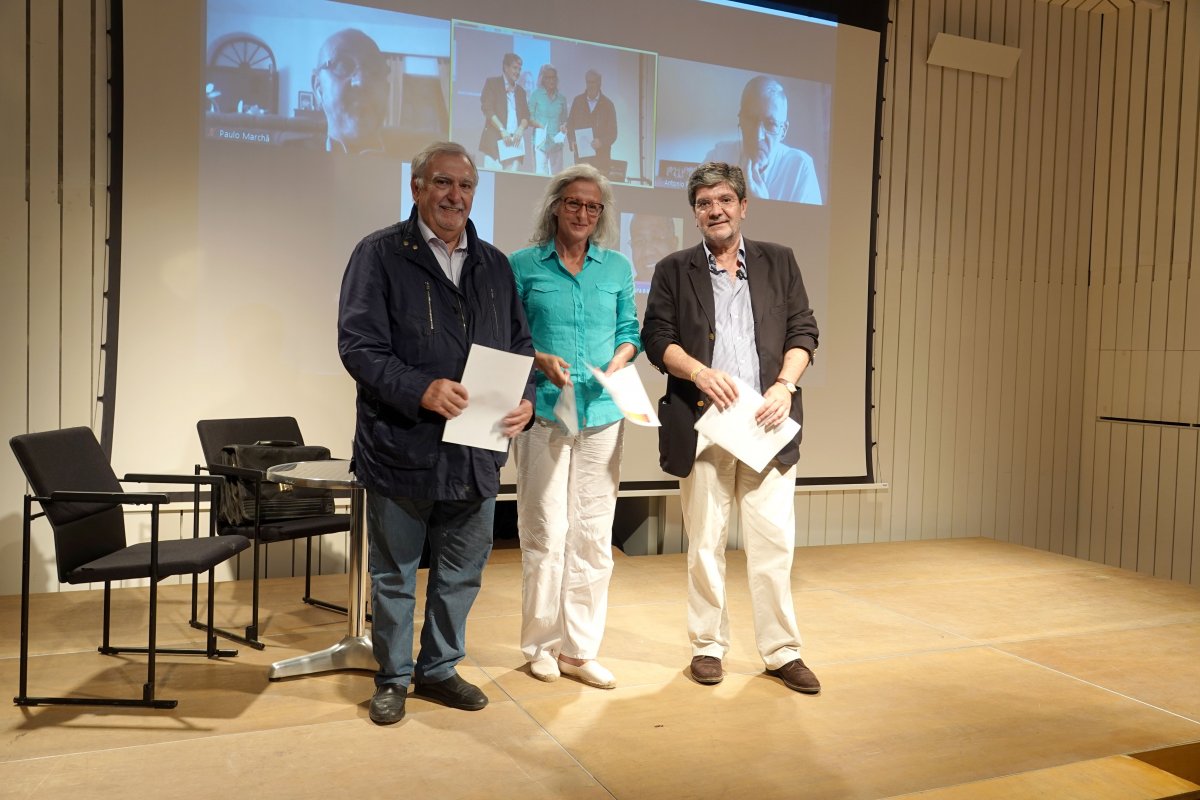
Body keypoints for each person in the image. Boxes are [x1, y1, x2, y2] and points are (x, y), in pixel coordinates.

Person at [337, 141, 536, 725]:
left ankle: (441, 668)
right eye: (443, 184)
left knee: (461, 570)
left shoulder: (494, 263)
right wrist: (419, 388)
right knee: (394, 572)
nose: (455, 197)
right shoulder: (378, 255)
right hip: (401, 445)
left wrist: (524, 399)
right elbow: (359, 347)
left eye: (465, 187)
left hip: (476, 448)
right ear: (417, 187)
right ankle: (394, 676)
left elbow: (519, 344)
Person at [641, 161, 821, 695]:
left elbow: (803, 329)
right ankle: (707, 646)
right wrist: (697, 371)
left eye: (723, 200)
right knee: (704, 544)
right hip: (702, 425)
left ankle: (782, 652)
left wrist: (785, 385)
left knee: (773, 544)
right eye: (703, 203)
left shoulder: (779, 262)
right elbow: (656, 339)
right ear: (694, 212)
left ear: (743, 206)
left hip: (767, 423)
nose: (714, 210)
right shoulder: (674, 268)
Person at [509, 164, 640, 689]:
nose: (583, 213)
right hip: (544, 412)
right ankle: (541, 644)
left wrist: (620, 360)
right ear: (555, 206)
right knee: (546, 531)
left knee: (592, 534)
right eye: (574, 203)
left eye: (593, 206)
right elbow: (508, 336)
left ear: (601, 214)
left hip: (603, 416)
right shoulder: (523, 264)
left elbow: (631, 330)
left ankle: (580, 650)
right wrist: (539, 358)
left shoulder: (616, 267)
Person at [704, 75, 822, 204]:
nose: (758, 135)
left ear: (783, 131)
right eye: (750, 119)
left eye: (770, 124)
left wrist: (763, 204)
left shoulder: (800, 167)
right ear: (740, 120)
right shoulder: (718, 157)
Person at [310, 28, 391, 154]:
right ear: (318, 87)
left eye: (375, 69)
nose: (362, 82)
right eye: (342, 66)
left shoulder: (418, 164)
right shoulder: (289, 158)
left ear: (387, 89)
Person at [479, 53, 530, 171]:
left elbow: (526, 115)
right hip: (495, 142)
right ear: (506, 67)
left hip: (514, 144)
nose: (517, 72)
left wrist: (521, 129)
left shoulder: (521, 91)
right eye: (514, 68)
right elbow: (487, 109)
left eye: (519, 69)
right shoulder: (493, 83)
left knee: (511, 183)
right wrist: (502, 130)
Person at [568, 70, 618, 167]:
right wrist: (572, 140)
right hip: (581, 158)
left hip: (601, 158)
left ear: (599, 83)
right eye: (588, 82)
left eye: (593, 82)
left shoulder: (608, 105)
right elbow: (570, 124)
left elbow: (613, 133)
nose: (590, 85)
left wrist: (602, 142)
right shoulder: (578, 101)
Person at [528, 64, 569, 176]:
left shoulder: (562, 98)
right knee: (540, 177)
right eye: (548, 77)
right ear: (543, 79)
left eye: (553, 77)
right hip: (540, 143)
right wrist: (540, 126)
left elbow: (564, 119)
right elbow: (529, 117)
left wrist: (564, 126)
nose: (551, 80)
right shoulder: (536, 95)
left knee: (556, 180)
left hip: (556, 144)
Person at [627, 213, 680, 290]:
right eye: (639, 241)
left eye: (657, 238)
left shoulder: (688, 289)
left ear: (674, 244)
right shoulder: (625, 295)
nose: (648, 251)